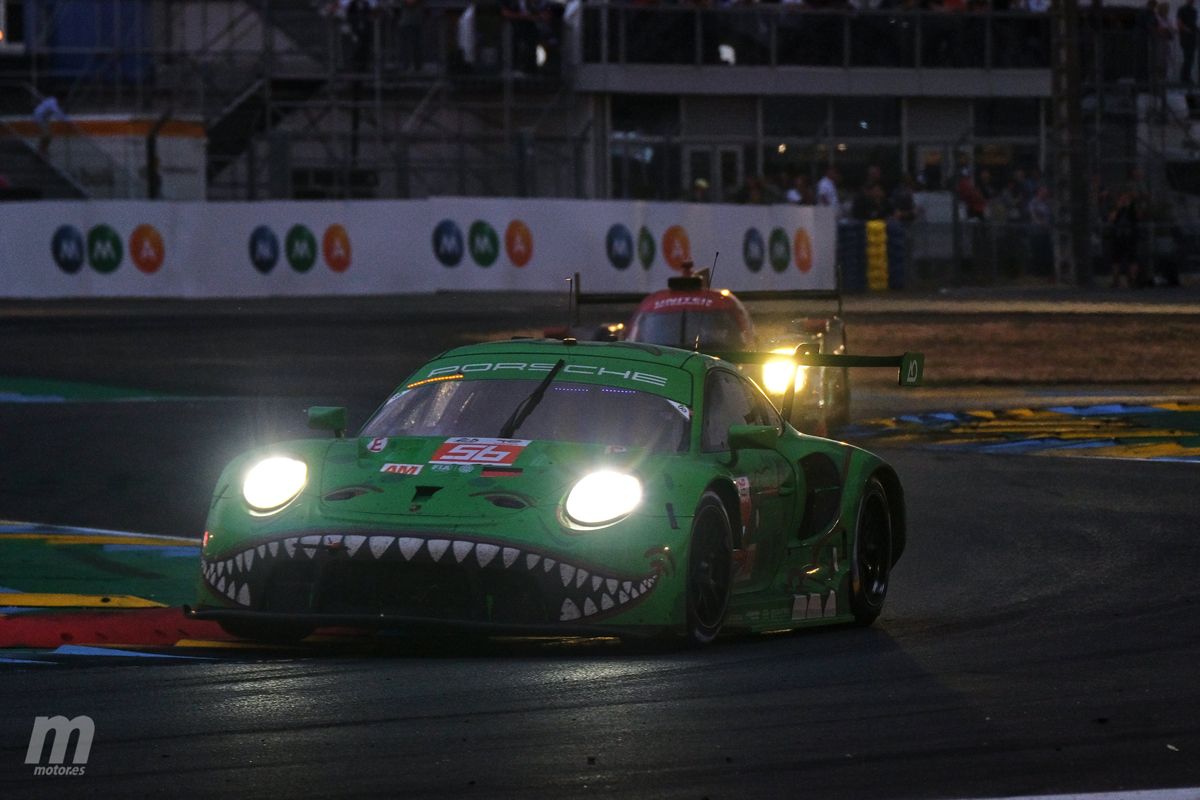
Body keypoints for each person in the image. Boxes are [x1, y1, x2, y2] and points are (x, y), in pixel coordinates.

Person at [1107, 189, 1142, 288]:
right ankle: (1116, 281)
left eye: (1126, 198)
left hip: (1131, 236)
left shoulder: (1133, 207)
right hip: (1118, 236)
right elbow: (1111, 219)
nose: (1124, 200)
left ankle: (1133, 280)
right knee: (1116, 259)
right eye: (1122, 198)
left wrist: (1131, 206)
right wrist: (1118, 208)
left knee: (1133, 259)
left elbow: (1139, 217)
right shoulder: (1116, 208)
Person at [1180, 0, 1198, 83]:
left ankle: (1187, 76)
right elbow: (1180, 23)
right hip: (1185, 37)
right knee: (1187, 58)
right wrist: (1187, 30)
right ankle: (1184, 77)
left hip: (1192, 38)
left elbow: (1194, 23)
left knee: (1191, 58)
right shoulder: (1182, 10)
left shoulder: (1194, 11)